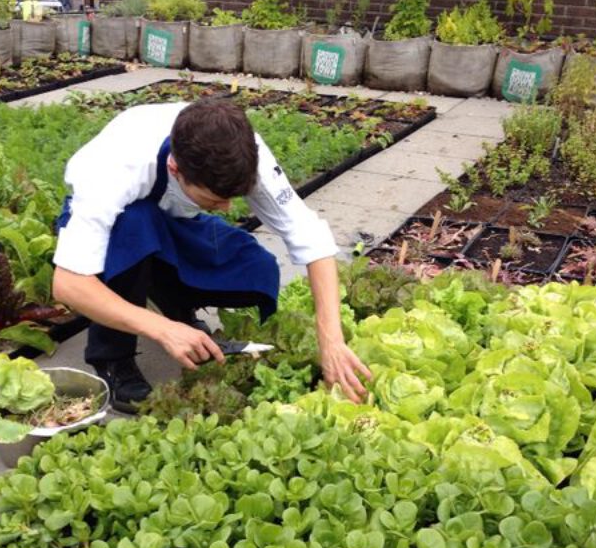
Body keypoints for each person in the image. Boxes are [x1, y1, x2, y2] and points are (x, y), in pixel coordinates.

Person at [52, 97, 371, 413]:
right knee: (137, 224)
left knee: (257, 271)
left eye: (233, 198)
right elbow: (69, 284)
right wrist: (162, 330)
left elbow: (310, 235)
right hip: (123, 230)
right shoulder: (114, 167)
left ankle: (172, 304)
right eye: (215, 200)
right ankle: (114, 358)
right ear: (175, 169)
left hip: (173, 223)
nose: (227, 209)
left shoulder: (243, 151)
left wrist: (331, 340)